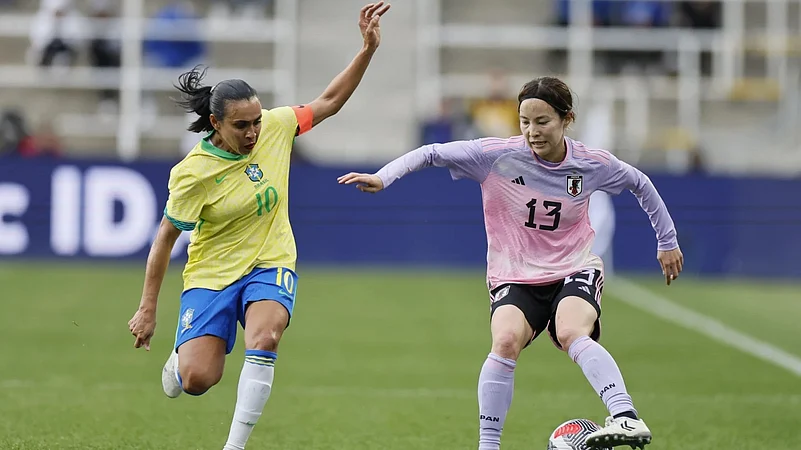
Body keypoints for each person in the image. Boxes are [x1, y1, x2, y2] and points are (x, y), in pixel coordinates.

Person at [338, 76, 683, 450]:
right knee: (504, 341)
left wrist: (667, 241)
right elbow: (431, 152)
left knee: (571, 331)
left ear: (567, 119)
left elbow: (640, 183)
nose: (532, 131)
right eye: (524, 121)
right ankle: (489, 446)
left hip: (574, 267)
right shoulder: (495, 156)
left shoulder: (590, 163)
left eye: (542, 121)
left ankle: (626, 417)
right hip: (514, 275)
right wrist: (383, 177)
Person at [126, 3, 391, 450]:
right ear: (215, 123)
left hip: (271, 261)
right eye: (241, 125)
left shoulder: (276, 126)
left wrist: (366, 50)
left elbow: (329, 101)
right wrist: (148, 308)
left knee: (265, 337)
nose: (253, 132)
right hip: (212, 273)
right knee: (197, 379)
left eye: (256, 121)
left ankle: (234, 446)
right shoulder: (193, 173)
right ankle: (180, 356)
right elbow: (164, 240)